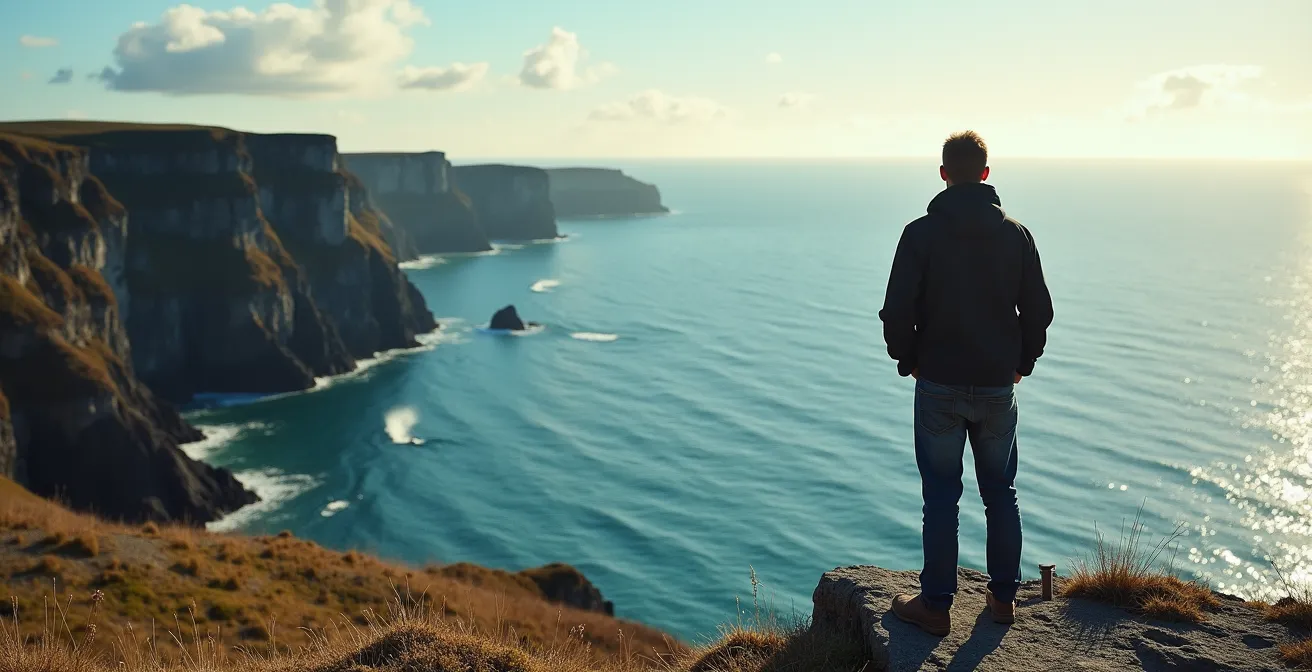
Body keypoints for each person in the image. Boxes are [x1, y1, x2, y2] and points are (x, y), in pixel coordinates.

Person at [878, 131, 1054, 636]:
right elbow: (1038, 311)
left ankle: (936, 606)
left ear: (942, 174)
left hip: (938, 383)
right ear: (985, 173)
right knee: (1001, 492)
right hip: (999, 385)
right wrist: (1023, 362)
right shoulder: (1016, 234)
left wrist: (910, 360)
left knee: (940, 496)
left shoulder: (920, 234)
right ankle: (1002, 600)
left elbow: (896, 313)